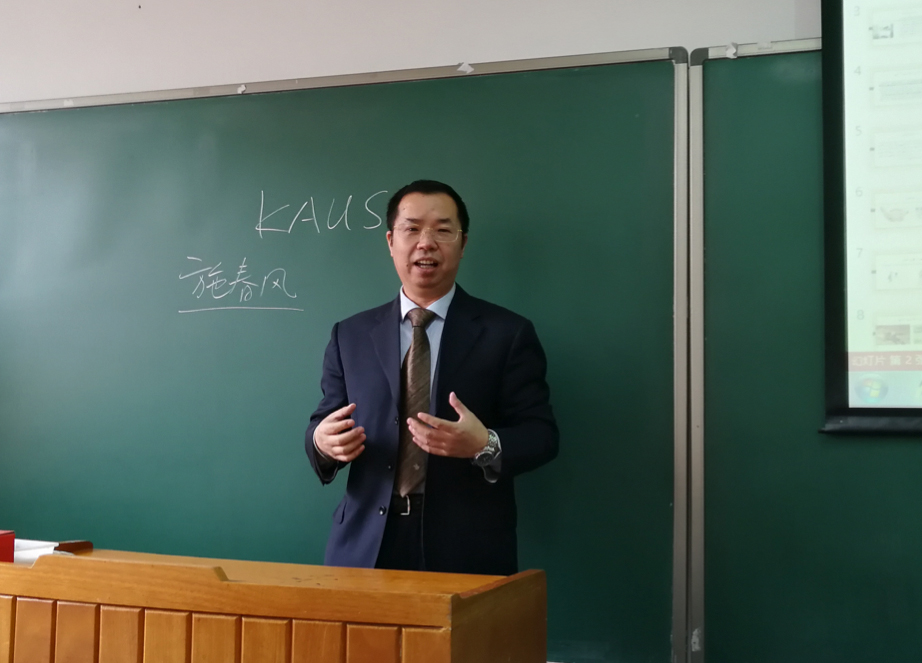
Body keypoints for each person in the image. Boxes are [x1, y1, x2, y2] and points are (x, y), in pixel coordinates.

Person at [305, 180, 558, 575]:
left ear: (463, 243)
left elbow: (541, 435)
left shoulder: (507, 334)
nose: (426, 243)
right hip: (365, 544)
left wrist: (484, 444)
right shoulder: (350, 335)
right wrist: (322, 441)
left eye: (442, 230)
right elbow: (323, 422)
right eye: (412, 229)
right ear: (391, 241)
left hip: (467, 547)